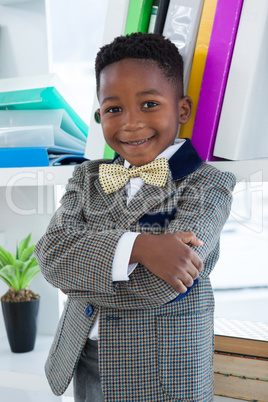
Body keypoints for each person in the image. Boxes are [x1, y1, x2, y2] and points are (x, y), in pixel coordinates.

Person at [34, 32, 236, 402]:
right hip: (84, 355)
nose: (130, 123)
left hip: (163, 371)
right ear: (99, 115)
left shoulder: (209, 185)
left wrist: (80, 275)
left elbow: (161, 285)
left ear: (182, 110)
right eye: (114, 109)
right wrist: (141, 247)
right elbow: (50, 255)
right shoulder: (87, 177)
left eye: (149, 104)